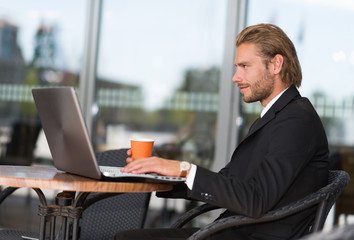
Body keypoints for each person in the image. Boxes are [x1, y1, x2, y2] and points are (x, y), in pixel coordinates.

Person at [115, 23, 329, 240]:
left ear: (276, 64)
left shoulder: (296, 120)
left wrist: (185, 169)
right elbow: (231, 180)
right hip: (231, 231)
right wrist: (162, 172)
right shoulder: (279, 116)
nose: (236, 77)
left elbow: (256, 200)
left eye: (245, 66)